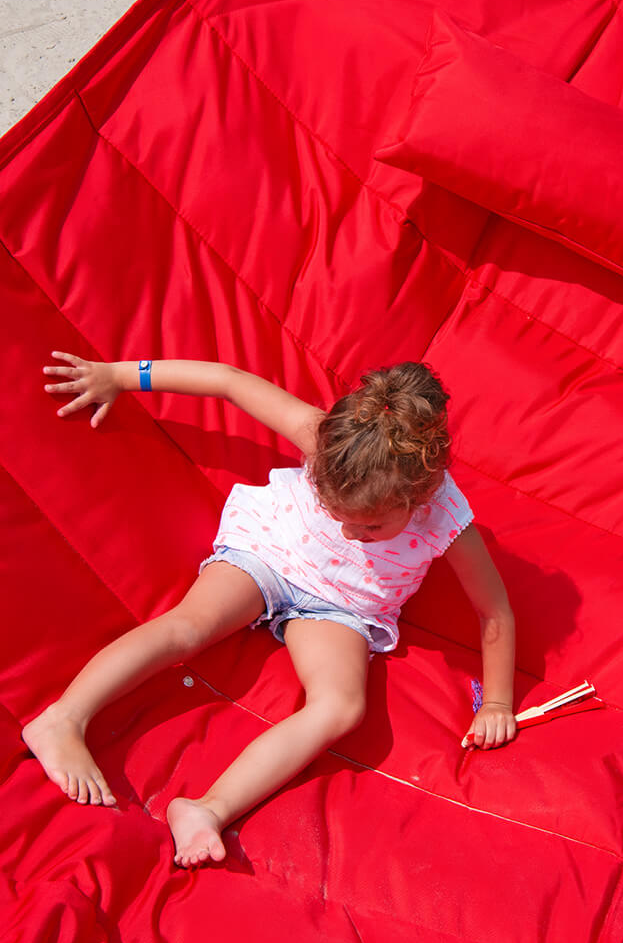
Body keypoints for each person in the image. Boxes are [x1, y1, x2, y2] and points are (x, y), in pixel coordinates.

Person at [22, 352, 517, 865]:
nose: (351, 533)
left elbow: (494, 610)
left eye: (370, 528)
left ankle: (208, 809)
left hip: (342, 605)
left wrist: (497, 704)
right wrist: (120, 376)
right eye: (336, 513)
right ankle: (64, 718)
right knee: (190, 626)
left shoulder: (444, 516)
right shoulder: (328, 438)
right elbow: (229, 381)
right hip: (273, 550)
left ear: (418, 498)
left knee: (341, 707)